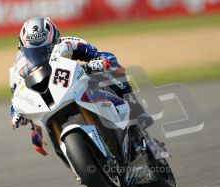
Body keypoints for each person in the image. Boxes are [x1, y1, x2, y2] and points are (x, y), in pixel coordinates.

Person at [10, 17, 153, 155]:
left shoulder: (68, 43)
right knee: (35, 136)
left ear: (55, 39)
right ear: (22, 47)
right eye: (33, 51)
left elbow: (104, 56)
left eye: (46, 48)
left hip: (75, 84)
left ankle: (135, 112)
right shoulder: (18, 68)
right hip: (48, 102)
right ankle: (79, 159)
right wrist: (16, 114)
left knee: (115, 74)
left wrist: (99, 63)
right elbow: (17, 97)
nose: (40, 54)